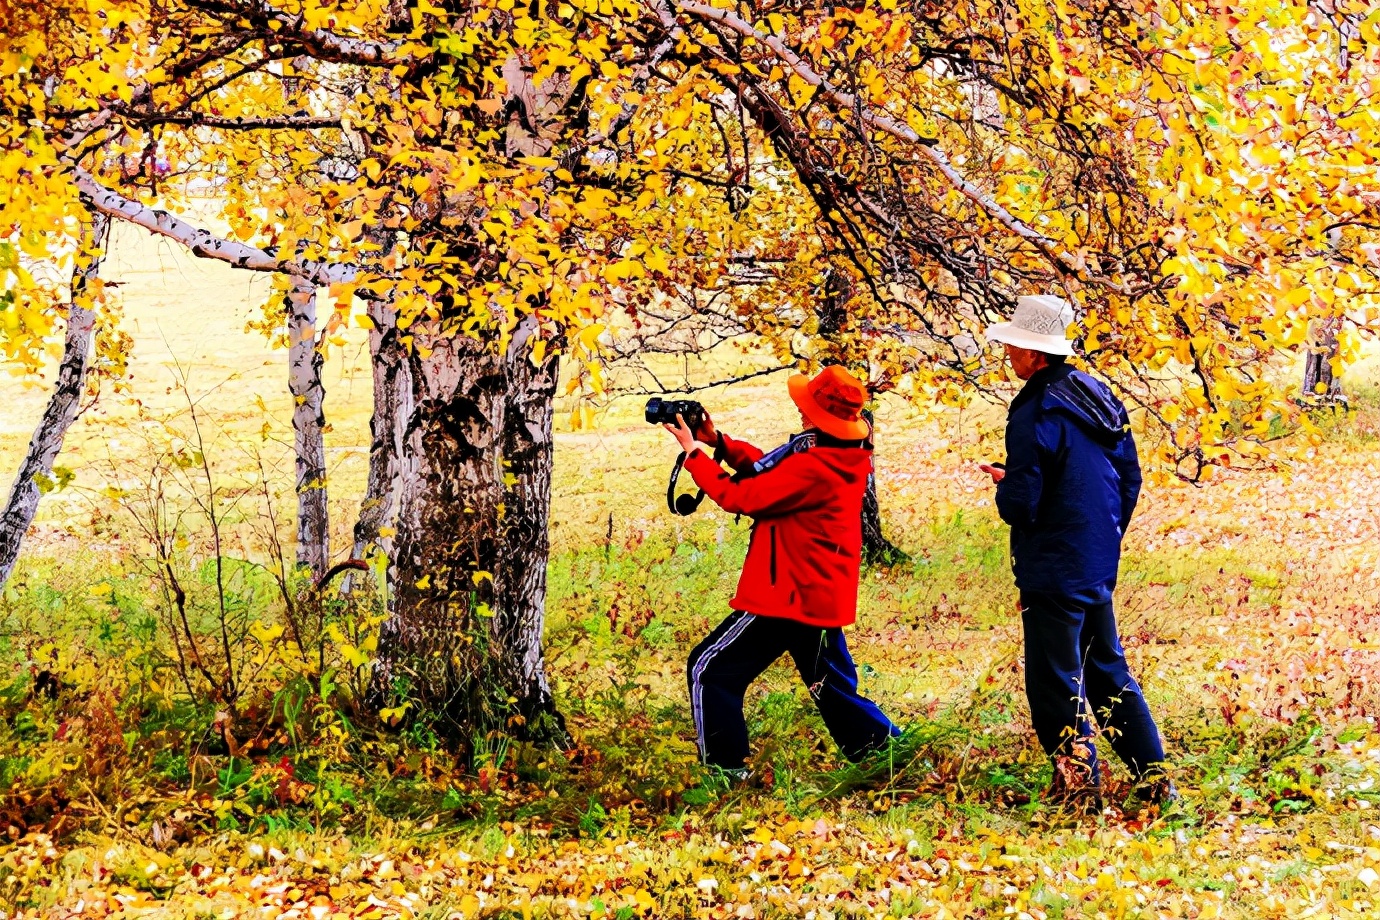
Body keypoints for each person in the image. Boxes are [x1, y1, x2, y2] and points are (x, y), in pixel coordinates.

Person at [981, 294, 1174, 809]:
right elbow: (1127, 477)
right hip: (1092, 558)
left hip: (1051, 564)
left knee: (1052, 679)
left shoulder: (1033, 409)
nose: (1008, 354)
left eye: (1014, 346)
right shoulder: (1099, 394)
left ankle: (1078, 793)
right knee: (1108, 670)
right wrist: (1102, 536)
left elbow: (1021, 504)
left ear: (1035, 354)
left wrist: (1007, 487)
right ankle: (1155, 781)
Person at [662, 365, 900, 780]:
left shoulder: (814, 464)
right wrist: (717, 441)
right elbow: (769, 469)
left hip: (786, 594)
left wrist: (693, 454)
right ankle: (895, 757)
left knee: (709, 670)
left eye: (806, 408)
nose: (802, 414)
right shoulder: (836, 454)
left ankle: (725, 772)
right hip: (818, 593)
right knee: (834, 689)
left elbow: (741, 496)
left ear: (817, 417)